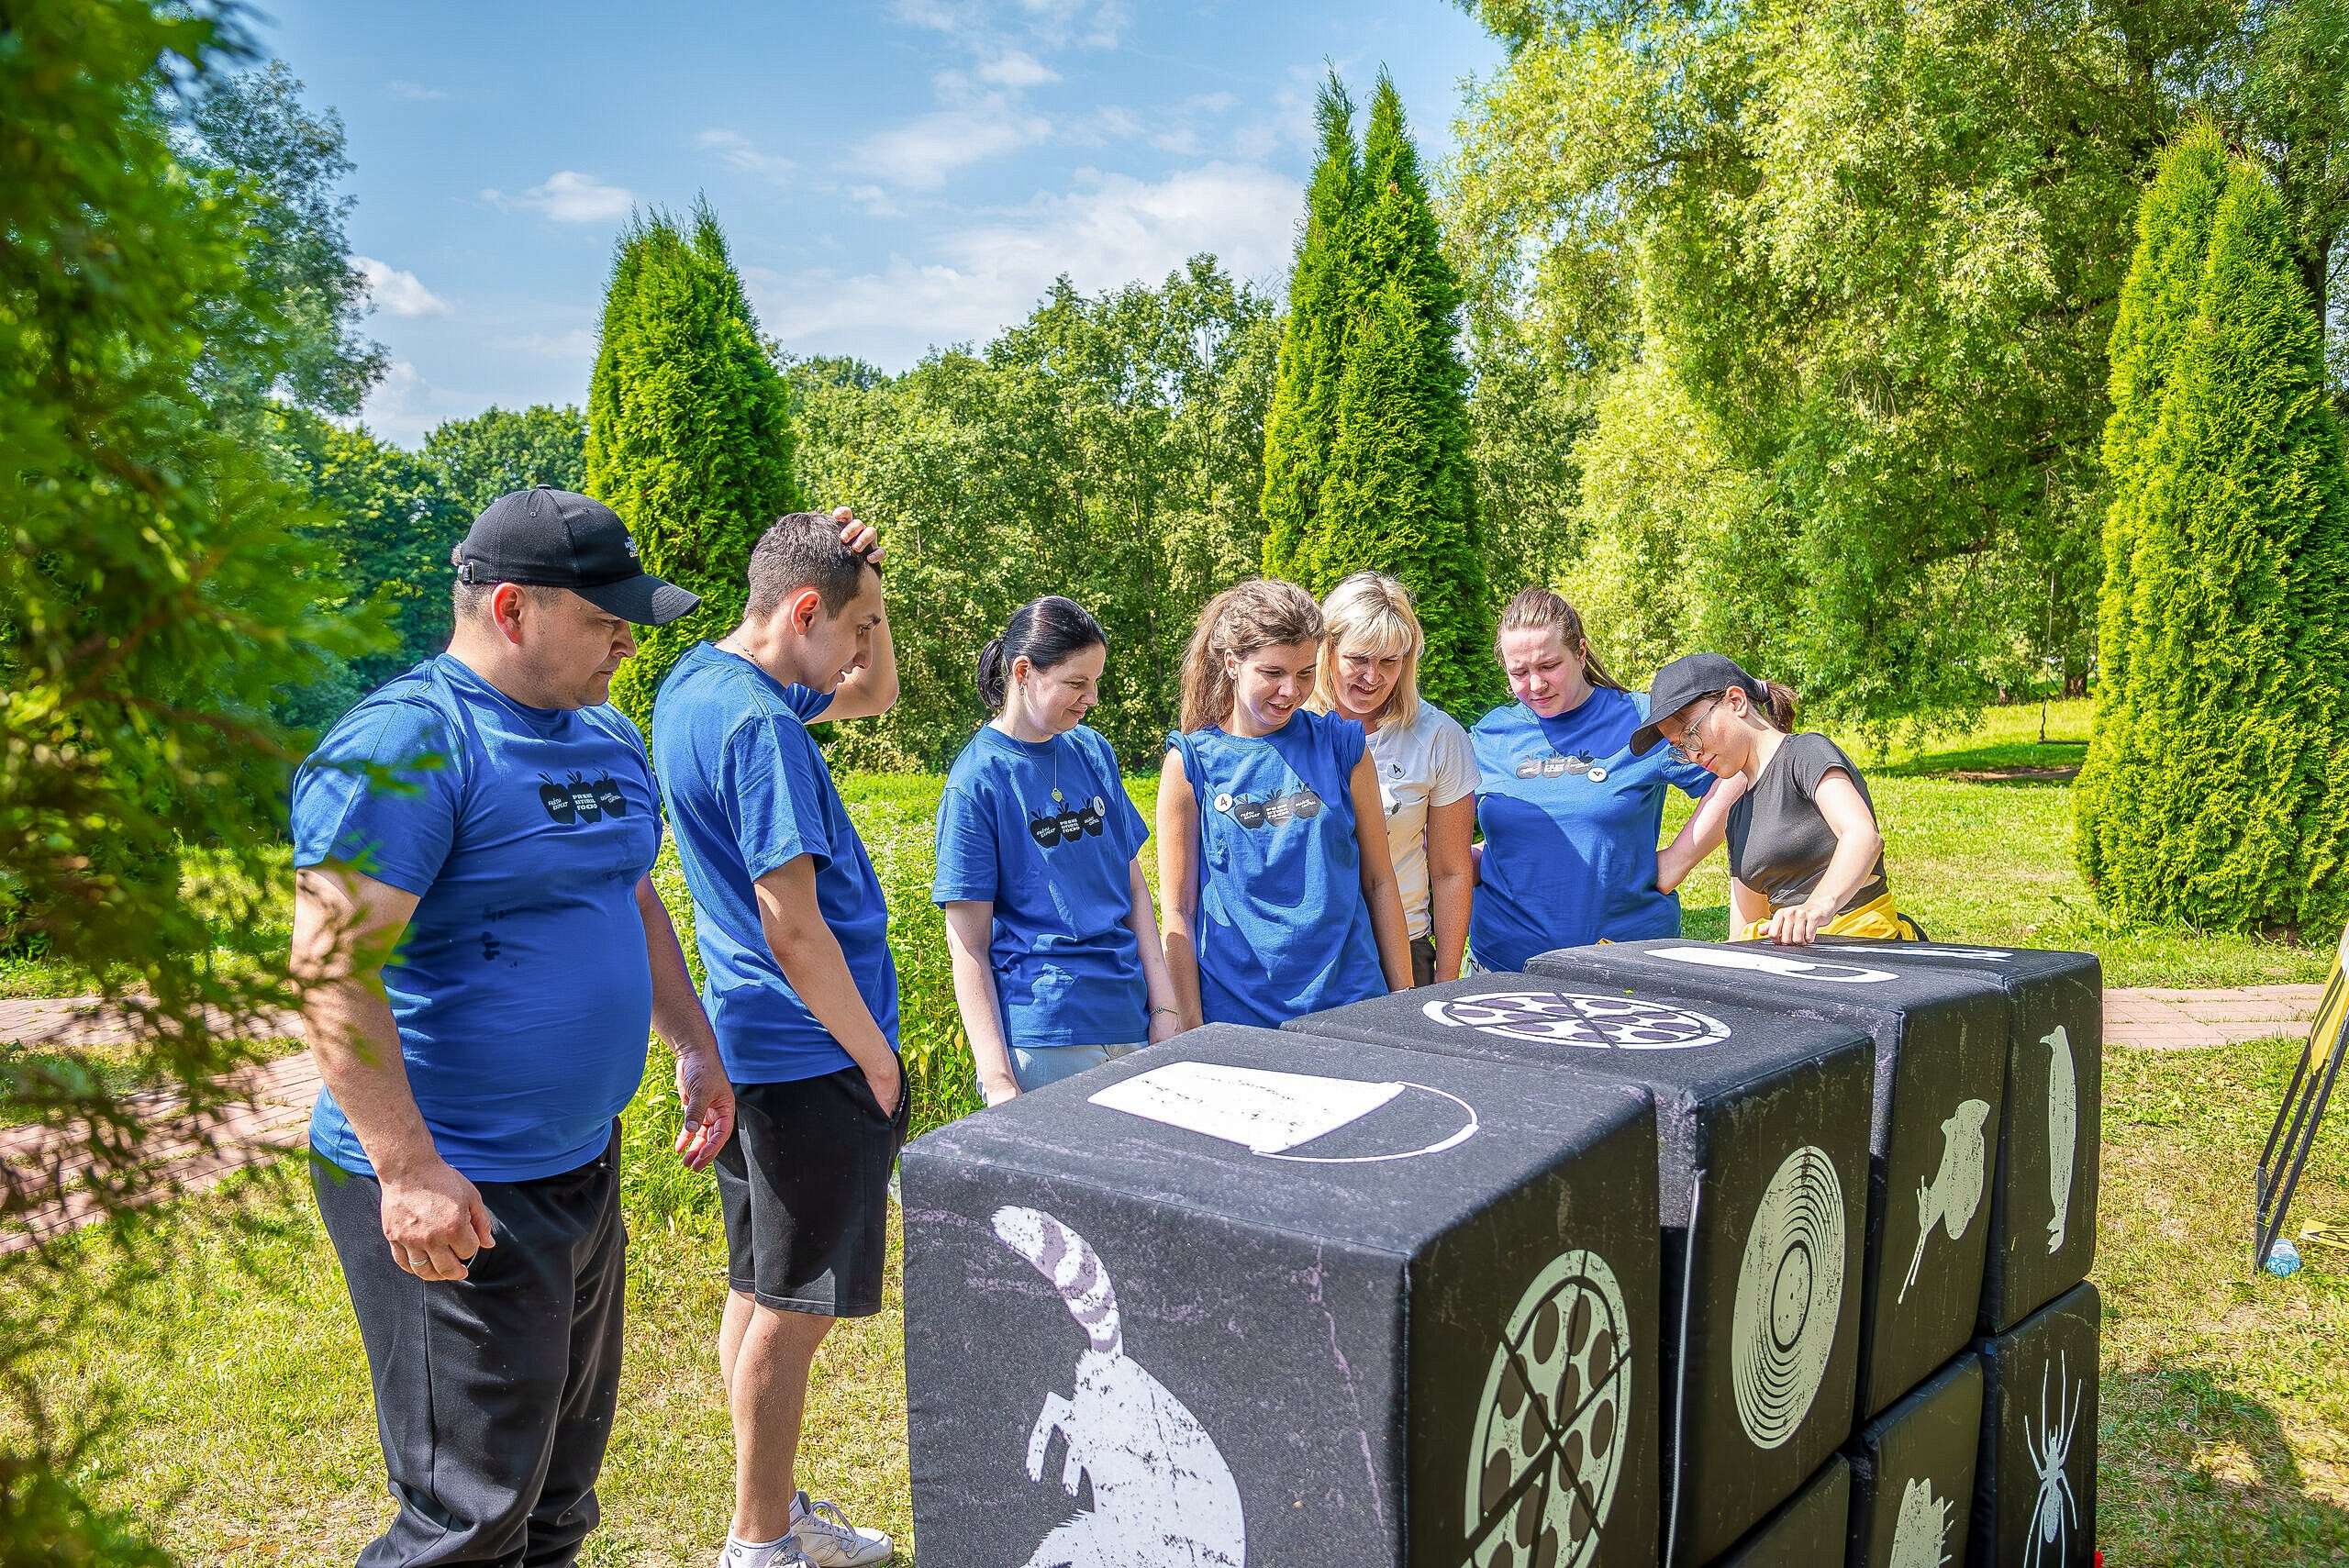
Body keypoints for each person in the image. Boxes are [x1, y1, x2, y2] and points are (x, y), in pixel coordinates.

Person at [290, 486, 737, 1568]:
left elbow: (631, 900)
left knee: (554, 1496)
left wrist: (693, 1045)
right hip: (458, 1186)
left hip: (579, 1165)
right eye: (606, 618)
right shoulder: (408, 742)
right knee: (465, 1515)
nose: (630, 640)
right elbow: (327, 968)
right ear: (510, 608)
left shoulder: (605, 731)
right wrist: (406, 1169)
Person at [651, 510, 902, 1568]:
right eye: (855, 627)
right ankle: (760, 1542)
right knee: (794, 1314)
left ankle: (774, 1507)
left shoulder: (697, 685)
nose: (860, 650)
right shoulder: (759, 727)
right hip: (812, 1055)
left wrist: (871, 584)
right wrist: (874, 1054)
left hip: (754, 1045)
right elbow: (790, 920)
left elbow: (877, 693)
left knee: (757, 1292)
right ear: (803, 612)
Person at [933, 597, 1180, 1104]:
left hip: (1129, 1018)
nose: (1091, 698)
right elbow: (968, 946)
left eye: (1095, 683)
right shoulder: (978, 781)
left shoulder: (1092, 751)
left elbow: (1133, 886)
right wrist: (998, 1079)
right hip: (1046, 1036)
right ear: (1023, 672)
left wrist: (1165, 1007)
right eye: (1075, 683)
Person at [1158, 578, 1414, 1028]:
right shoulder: (1190, 763)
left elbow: (1379, 882)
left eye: (1304, 673)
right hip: (1237, 1016)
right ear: (1232, 663)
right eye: (1273, 674)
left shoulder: (1343, 747)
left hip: (1352, 1006)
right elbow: (1178, 910)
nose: (1290, 692)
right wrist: (1192, 1028)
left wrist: (1404, 1004)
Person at [1468, 588, 1742, 972]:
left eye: (1549, 666)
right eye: (1519, 672)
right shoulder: (1488, 736)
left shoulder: (1644, 721)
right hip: (1502, 966)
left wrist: (1678, 861)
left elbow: (1738, 773)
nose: (1535, 685)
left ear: (1580, 653)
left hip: (1624, 964)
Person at [1633, 651, 1920, 945]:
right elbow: (1742, 932)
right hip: (1797, 959)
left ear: (1736, 701)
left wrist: (1817, 906)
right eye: (1680, 747)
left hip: (1861, 943)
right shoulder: (1738, 813)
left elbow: (1861, 834)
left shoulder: (1805, 753)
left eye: (1691, 733)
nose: (1693, 754)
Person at [1308, 572, 1476, 985]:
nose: (1372, 677)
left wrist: (1446, 975)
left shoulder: (1437, 735)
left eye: (1388, 661)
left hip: (1404, 944)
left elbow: (1452, 870)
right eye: (1358, 658)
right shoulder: (1294, 729)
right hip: (1312, 950)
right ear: (1328, 651)